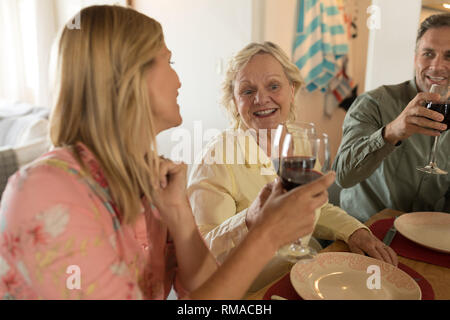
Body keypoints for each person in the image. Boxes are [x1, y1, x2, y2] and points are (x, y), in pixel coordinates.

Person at [0, 5, 335, 300]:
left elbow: (201, 293)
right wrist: (267, 234)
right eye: (168, 61)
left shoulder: (149, 183)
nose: (178, 80)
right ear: (127, 76)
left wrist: (180, 214)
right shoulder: (45, 190)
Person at [187, 42, 397, 292]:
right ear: (234, 99)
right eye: (247, 90)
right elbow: (200, 254)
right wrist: (250, 220)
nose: (261, 98)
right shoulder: (216, 157)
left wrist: (353, 231)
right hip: (252, 293)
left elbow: (315, 206)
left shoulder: (300, 141)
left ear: (292, 90)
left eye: (273, 86)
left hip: (303, 278)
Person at [332, 13, 450, 222]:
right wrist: (391, 133)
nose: (437, 66)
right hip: (364, 233)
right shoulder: (374, 103)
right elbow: (343, 176)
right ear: (415, 58)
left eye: (449, 56)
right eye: (428, 53)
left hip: (424, 238)